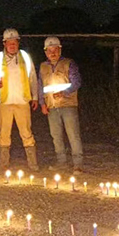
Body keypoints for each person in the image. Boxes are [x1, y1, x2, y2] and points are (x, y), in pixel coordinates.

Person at [0, 28, 40, 170]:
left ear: (18, 43)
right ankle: (4, 163)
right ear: (4, 43)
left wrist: (35, 97)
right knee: (4, 133)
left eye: (14, 42)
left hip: (22, 101)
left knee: (26, 132)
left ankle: (32, 163)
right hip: (4, 101)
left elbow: (32, 78)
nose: (12, 45)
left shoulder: (25, 57)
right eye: (9, 43)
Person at [38, 36, 84, 172]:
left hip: (68, 105)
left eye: (55, 50)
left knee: (73, 134)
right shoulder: (42, 66)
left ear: (60, 49)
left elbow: (77, 82)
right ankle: (61, 162)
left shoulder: (69, 64)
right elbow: (41, 86)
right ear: (45, 52)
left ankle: (78, 164)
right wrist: (42, 104)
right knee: (56, 135)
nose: (53, 53)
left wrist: (64, 92)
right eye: (49, 50)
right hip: (51, 107)